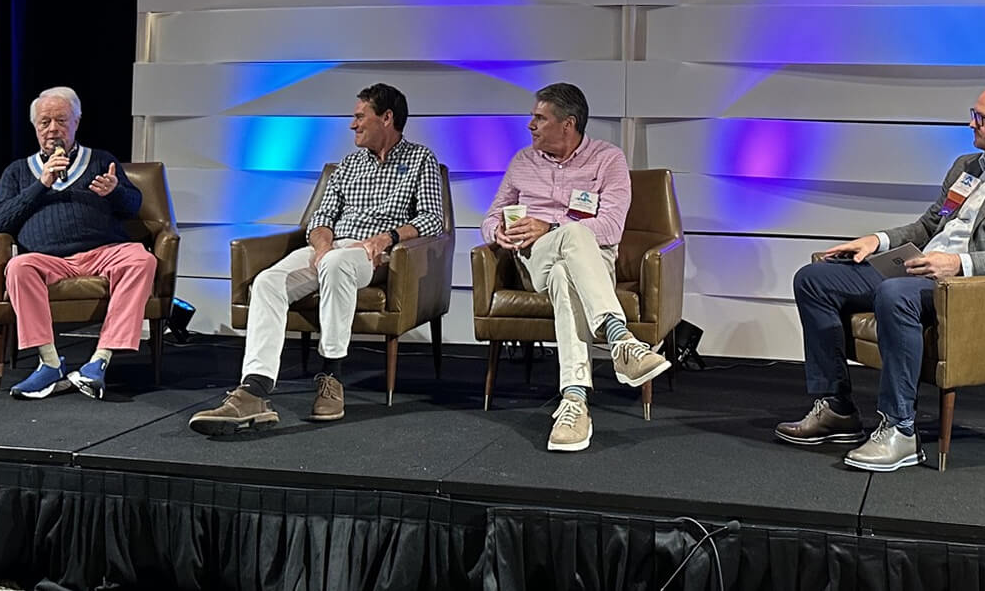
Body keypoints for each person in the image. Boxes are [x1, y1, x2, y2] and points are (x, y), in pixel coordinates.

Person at [775, 82, 985, 471]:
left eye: (982, 118)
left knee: (896, 294)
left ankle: (900, 430)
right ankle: (836, 407)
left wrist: (958, 265)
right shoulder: (966, 167)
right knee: (815, 279)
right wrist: (878, 240)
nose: (972, 124)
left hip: (968, 287)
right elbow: (929, 226)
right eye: (974, 113)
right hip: (921, 271)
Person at [190, 83, 445, 434]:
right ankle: (255, 390)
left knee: (337, 264)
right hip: (331, 248)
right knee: (267, 282)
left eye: (359, 116)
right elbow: (321, 217)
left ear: (387, 118)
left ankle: (331, 376)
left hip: (374, 255)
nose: (352, 125)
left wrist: (386, 238)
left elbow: (432, 218)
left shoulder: (420, 159)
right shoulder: (349, 165)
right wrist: (322, 246)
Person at [482, 83, 669, 452]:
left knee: (568, 265)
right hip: (535, 257)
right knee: (570, 238)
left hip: (591, 260)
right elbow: (490, 216)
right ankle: (620, 341)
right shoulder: (522, 162)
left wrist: (554, 227)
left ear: (568, 124)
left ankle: (574, 401)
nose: (530, 125)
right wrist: (498, 231)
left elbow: (612, 228)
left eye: (539, 118)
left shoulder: (607, 160)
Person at [0, 86, 155, 401]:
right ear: (35, 128)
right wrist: (41, 184)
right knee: (18, 266)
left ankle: (99, 361)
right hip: (48, 259)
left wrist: (115, 191)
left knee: (141, 259)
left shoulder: (101, 160)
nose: (53, 129)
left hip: (102, 253)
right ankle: (49, 363)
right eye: (45, 122)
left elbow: (133, 205)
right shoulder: (18, 172)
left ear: (76, 122)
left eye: (61, 121)